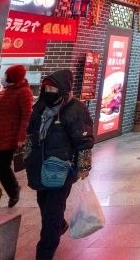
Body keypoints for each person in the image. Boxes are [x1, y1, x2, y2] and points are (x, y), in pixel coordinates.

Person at [23, 69, 94, 260]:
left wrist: (84, 165)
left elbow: (84, 139)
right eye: (46, 88)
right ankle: (60, 225)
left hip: (62, 168)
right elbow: (31, 132)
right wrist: (27, 155)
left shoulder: (75, 109)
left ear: (62, 89)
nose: (49, 92)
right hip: (40, 166)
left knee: (52, 213)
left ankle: (44, 253)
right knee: (44, 204)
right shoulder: (41, 107)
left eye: (52, 89)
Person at [0, 64, 34, 208]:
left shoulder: (24, 92)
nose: (4, 77)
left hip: (7, 139)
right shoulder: (4, 91)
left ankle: (14, 190)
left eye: (6, 74)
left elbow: (26, 116)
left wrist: (21, 137)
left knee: (2, 168)